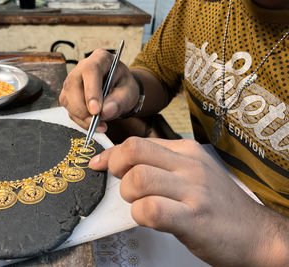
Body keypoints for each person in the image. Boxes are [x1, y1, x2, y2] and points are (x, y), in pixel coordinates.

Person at [60, 0, 289, 266]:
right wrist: (131, 90)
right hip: (197, 194)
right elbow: (158, 72)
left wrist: (267, 239)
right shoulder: (203, 5)